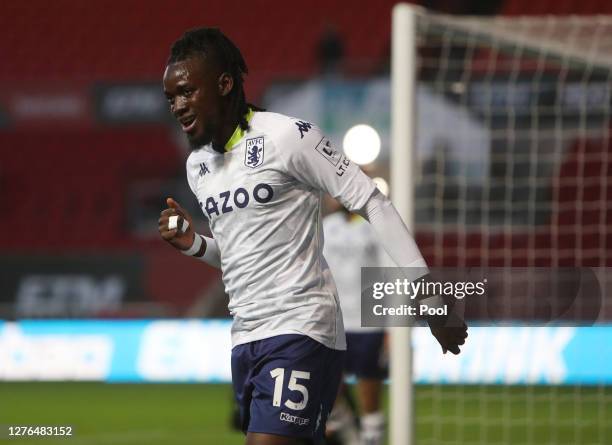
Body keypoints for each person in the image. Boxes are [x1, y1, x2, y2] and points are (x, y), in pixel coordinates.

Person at [158, 27, 467, 445]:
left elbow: (372, 203)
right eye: (171, 97)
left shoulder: (289, 137)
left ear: (224, 83)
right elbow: (237, 256)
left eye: (186, 92)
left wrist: (429, 298)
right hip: (246, 338)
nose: (177, 106)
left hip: (302, 329)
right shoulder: (199, 168)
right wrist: (195, 244)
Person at [322, 196, 388, 445]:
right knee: (328, 392)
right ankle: (351, 438)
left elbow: (389, 274)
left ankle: (370, 438)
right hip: (333, 321)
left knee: (369, 399)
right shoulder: (327, 227)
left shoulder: (375, 227)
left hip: (369, 322)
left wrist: (393, 329)